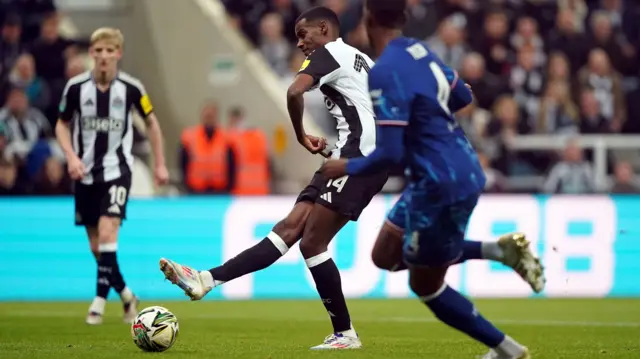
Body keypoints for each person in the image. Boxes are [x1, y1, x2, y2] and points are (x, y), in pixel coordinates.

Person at [158, 5, 540, 352]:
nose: (300, 43)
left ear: (323, 29)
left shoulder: (330, 54)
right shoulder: (364, 59)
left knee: (312, 241)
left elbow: (294, 92)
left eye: (303, 34)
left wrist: (299, 134)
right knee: (290, 228)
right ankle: (207, 279)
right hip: (348, 155)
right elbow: (422, 101)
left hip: (359, 159)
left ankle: (344, 332)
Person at [320, 1, 534, 358]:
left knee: (425, 283)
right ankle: (497, 250)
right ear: (404, 18)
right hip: (452, 167)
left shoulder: (385, 71)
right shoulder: (420, 51)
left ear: (367, 19)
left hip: (440, 180)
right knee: (385, 255)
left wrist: (345, 167)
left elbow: (390, 154)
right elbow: (463, 95)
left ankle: (506, 350)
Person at [55, 27, 169, 325]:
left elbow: (153, 124)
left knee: (108, 234)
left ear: (118, 54)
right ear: (91, 54)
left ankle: (98, 302)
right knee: (97, 248)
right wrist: (70, 157)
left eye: (110, 51)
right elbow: (61, 125)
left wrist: (160, 164)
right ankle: (128, 295)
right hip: (84, 175)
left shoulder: (132, 88)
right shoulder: (76, 88)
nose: (104, 56)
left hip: (118, 172)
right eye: (99, 51)